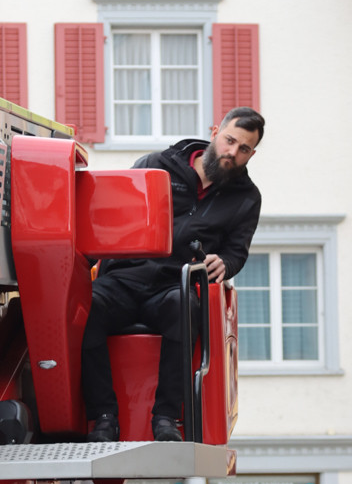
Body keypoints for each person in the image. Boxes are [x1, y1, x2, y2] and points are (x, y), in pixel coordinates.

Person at [81, 107, 265, 443]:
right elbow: (111, 219)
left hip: (174, 285)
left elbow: (236, 252)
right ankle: (104, 417)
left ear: (252, 154)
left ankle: (166, 418)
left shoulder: (247, 199)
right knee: (84, 305)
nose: (232, 153)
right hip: (124, 277)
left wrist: (224, 263)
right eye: (230, 141)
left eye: (244, 149)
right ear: (215, 132)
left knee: (184, 307)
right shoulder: (155, 164)